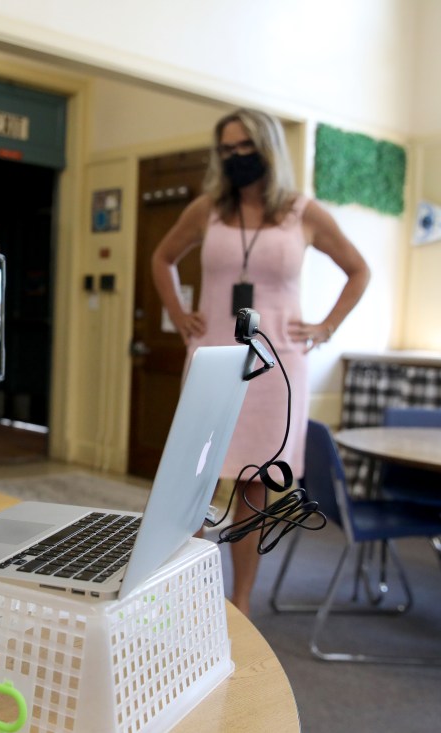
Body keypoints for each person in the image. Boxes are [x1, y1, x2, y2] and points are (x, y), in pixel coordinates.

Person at [151, 108, 370, 616]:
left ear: (268, 148)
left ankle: (241, 601)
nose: (235, 157)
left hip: (276, 365)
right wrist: (178, 313)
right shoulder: (207, 209)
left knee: (255, 482)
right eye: (226, 149)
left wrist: (326, 327)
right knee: (196, 479)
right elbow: (162, 258)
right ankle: (181, 595)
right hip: (213, 357)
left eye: (245, 147)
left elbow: (358, 270)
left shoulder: (303, 212)